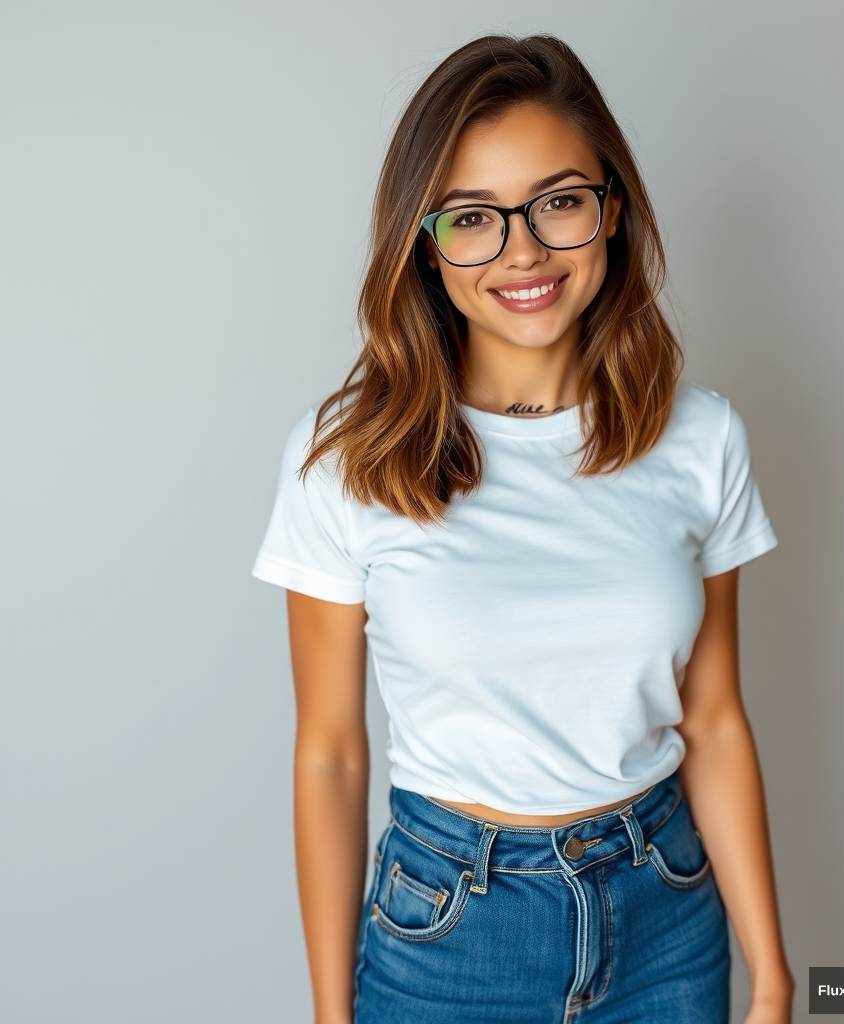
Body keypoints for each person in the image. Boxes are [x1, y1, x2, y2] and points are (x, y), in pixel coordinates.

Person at [252, 33, 794, 1024]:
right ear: (424, 241)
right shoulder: (344, 457)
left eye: (558, 201)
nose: (524, 250)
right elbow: (329, 752)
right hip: (450, 929)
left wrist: (770, 977)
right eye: (473, 218)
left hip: (666, 915)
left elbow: (712, 718)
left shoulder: (700, 437)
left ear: (610, 210)